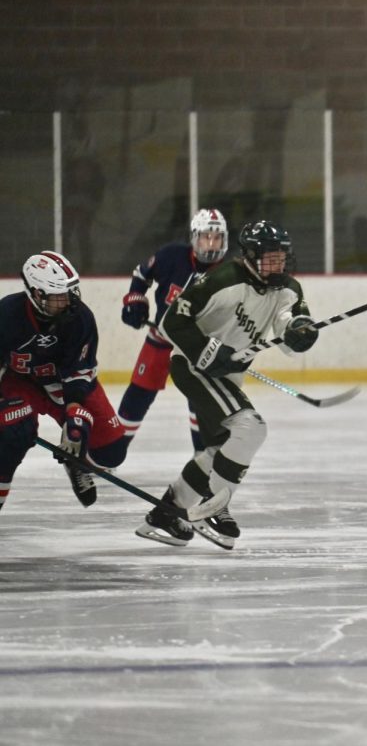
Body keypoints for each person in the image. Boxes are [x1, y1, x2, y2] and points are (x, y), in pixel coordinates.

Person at [135, 220, 318, 549]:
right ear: (250, 256)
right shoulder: (222, 281)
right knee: (250, 428)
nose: (278, 264)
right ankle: (212, 508)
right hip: (193, 367)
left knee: (219, 450)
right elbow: (172, 320)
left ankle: (166, 514)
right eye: (270, 257)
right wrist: (206, 349)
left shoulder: (288, 289)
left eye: (281, 257)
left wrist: (299, 332)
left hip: (227, 376)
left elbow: (288, 330)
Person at [0, 251, 130, 513]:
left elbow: (79, 373)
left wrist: (74, 412)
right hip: (20, 383)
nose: (69, 301)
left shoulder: (80, 318)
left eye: (70, 292)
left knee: (112, 451)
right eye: (60, 295)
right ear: (36, 295)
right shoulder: (7, 315)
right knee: (15, 433)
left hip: (63, 384)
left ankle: (76, 462)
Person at [116, 209, 229, 456]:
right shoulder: (171, 256)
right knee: (138, 394)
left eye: (216, 237)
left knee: (200, 400)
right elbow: (141, 274)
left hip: (198, 348)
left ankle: (203, 458)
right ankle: (111, 450)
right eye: (205, 237)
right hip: (162, 339)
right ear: (194, 238)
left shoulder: (230, 272)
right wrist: (135, 300)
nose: (211, 243)